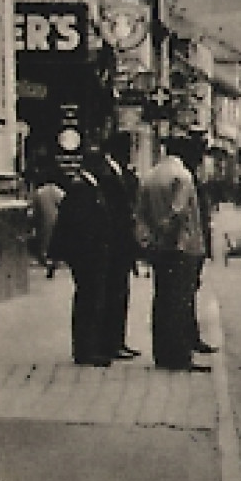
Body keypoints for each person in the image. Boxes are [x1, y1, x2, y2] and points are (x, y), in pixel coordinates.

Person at [136, 135, 212, 372]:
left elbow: (141, 214)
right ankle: (179, 356)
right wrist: (169, 234)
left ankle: (161, 353)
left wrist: (151, 239)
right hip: (182, 248)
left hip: (159, 249)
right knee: (179, 302)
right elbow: (178, 212)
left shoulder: (149, 176)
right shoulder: (183, 177)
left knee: (161, 300)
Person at [46, 151, 116, 367]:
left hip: (89, 254)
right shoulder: (81, 188)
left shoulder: (86, 185)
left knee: (91, 299)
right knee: (89, 299)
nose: (105, 169)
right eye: (103, 164)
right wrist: (93, 249)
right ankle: (85, 350)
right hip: (88, 256)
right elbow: (79, 224)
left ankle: (88, 347)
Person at [98, 132, 141, 360]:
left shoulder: (118, 172)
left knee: (120, 292)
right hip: (115, 244)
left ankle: (118, 340)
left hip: (121, 244)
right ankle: (111, 342)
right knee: (114, 293)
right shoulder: (108, 174)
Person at [30, 165, 66, 279]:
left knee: (44, 242)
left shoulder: (39, 192)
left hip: (43, 221)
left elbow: (34, 209)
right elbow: (65, 206)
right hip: (56, 220)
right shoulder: (58, 191)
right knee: (55, 242)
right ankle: (54, 261)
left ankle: (46, 261)